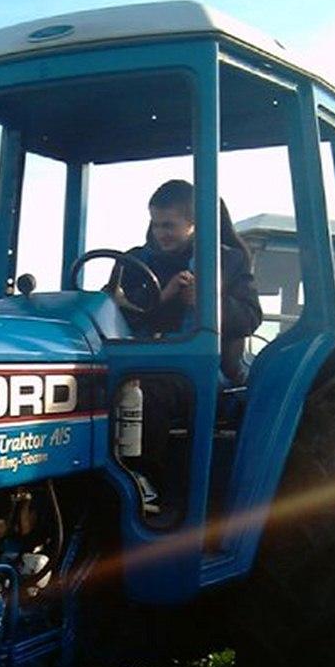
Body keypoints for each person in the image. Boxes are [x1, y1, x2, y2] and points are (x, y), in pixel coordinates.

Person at [112, 180, 262, 509]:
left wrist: (207, 303)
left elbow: (250, 317)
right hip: (137, 358)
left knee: (148, 392)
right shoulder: (134, 262)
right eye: (156, 223)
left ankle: (143, 480)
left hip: (202, 368)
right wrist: (162, 297)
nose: (161, 232)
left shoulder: (228, 262)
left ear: (193, 224)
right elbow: (113, 309)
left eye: (170, 225)